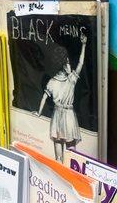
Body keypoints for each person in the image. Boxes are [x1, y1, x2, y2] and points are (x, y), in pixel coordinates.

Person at [34, 33, 88, 162]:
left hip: (57, 116)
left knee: (58, 157)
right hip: (68, 115)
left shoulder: (52, 82)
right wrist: (84, 45)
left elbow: (43, 98)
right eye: (68, 61)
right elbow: (81, 63)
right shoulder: (72, 79)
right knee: (72, 155)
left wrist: (39, 113)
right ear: (66, 63)